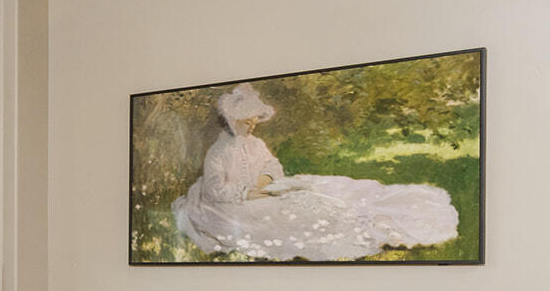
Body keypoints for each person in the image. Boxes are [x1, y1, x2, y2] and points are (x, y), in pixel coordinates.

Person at [171, 83, 459, 261]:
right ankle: (342, 224)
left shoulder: (255, 144)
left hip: (261, 190)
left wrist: (266, 179)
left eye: (254, 121)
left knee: (320, 191)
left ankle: (361, 216)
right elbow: (215, 190)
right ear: (234, 122)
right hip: (230, 204)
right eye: (247, 122)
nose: (253, 126)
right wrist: (248, 192)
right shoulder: (219, 152)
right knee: (283, 217)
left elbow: (271, 165)